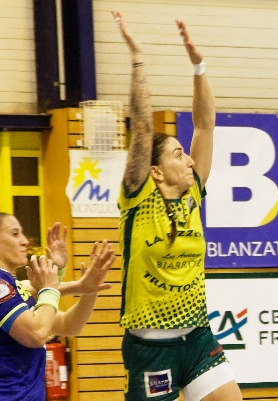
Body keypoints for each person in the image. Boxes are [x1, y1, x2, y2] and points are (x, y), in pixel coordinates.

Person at [113, 12, 242, 401]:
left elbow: (205, 124)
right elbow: (141, 128)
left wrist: (199, 67)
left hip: (198, 338)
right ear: (154, 171)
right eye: (177, 154)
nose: (189, 160)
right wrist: (138, 60)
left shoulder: (192, 194)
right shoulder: (138, 198)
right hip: (151, 348)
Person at [0, 213, 115, 401]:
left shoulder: (13, 286)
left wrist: (89, 289)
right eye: (14, 234)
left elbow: (68, 325)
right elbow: (37, 333)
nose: (24, 241)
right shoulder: (2, 287)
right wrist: (52, 286)